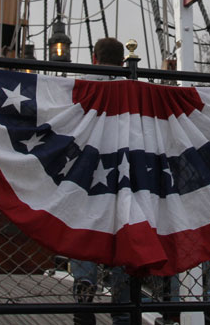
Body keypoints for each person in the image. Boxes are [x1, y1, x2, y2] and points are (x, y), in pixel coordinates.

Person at [70, 38, 130, 325]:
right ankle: (123, 310)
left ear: (94, 58)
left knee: (85, 235)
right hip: (123, 174)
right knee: (122, 241)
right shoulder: (131, 87)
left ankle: (84, 300)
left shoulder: (78, 86)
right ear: (122, 62)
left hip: (85, 173)